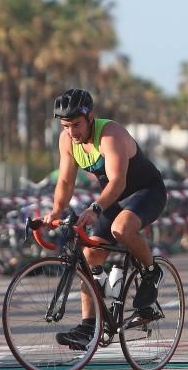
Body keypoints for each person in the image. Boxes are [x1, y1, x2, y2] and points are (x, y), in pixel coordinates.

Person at [41, 88, 169, 349]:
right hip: (113, 199)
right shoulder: (67, 141)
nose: (72, 132)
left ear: (91, 118)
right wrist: (56, 210)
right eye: (66, 126)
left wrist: (95, 208)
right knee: (90, 256)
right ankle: (88, 326)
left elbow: (118, 181)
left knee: (122, 228)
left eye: (76, 124)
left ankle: (152, 272)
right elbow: (65, 180)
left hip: (146, 192)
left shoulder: (110, 135)